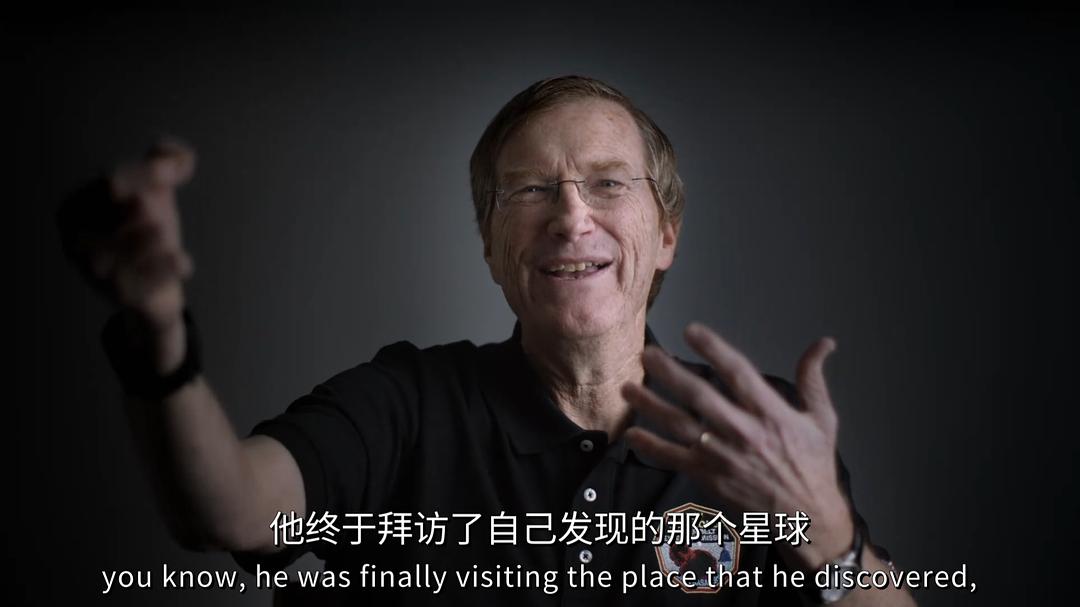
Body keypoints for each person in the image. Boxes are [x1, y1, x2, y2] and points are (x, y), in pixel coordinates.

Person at [57, 75, 916, 605]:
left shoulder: (761, 431)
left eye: (607, 183)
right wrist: (158, 332)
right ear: (491, 245)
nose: (571, 215)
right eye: (531, 190)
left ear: (666, 234)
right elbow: (227, 510)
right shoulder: (405, 406)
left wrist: (826, 530)